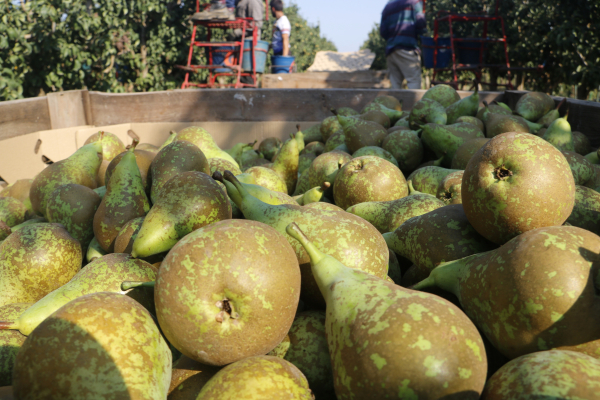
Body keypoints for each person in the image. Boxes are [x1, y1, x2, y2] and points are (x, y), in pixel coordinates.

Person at [380, 0, 426, 89]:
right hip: (407, 47)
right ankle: (414, 103)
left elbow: (383, 31)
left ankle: (393, 103)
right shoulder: (414, 2)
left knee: (395, 84)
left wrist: (392, 38)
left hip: (391, 50)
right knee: (413, 80)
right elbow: (421, 24)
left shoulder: (388, 6)